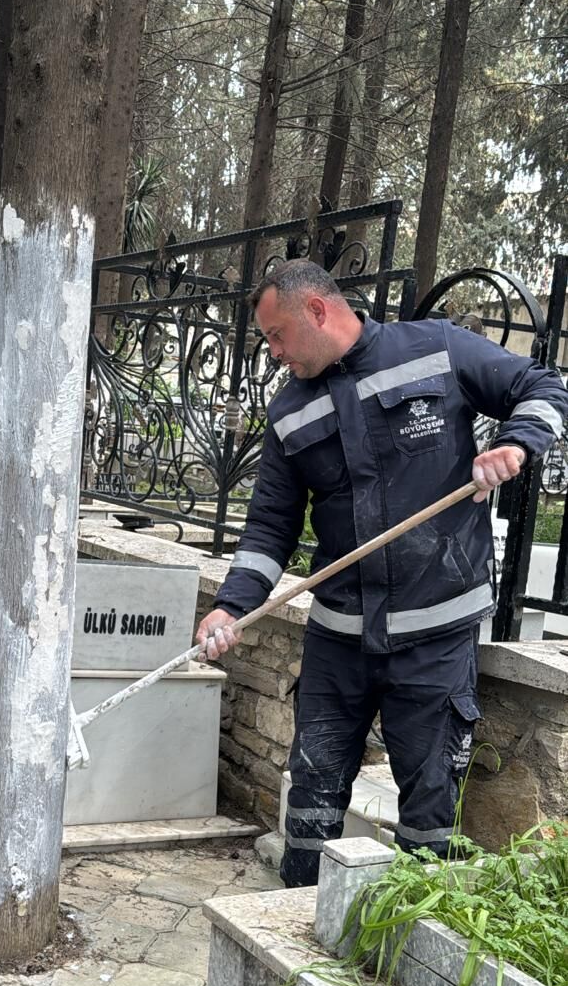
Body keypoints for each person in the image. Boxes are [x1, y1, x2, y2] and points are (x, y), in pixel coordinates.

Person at [196, 261, 568, 888]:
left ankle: (411, 951)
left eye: (278, 336)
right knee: (310, 804)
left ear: (318, 310)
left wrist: (517, 443)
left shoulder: (433, 349)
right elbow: (269, 528)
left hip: (435, 635)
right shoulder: (289, 410)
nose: (276, 353)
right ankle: (298, 929)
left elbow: (544, 386)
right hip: (337, 639)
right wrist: (231, 606)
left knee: (428, 818)